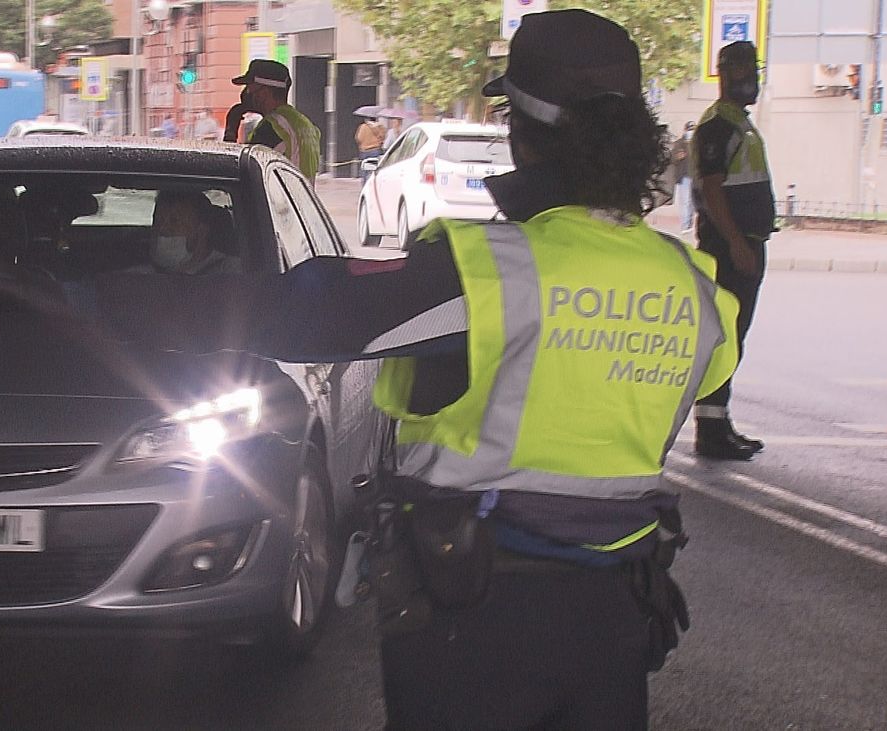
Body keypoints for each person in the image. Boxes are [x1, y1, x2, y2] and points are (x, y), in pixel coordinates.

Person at [99, 10, 739, 729]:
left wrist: (73, 296)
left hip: (478, 619)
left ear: (521, 131)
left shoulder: (488, 273)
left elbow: (289, 314)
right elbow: (705, 373)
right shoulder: (693, 286)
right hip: (617, 620)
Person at [691, 40, 776, 461]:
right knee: (725, 339)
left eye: (753, 70)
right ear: (725, 73)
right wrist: (736, 243)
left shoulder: (739, 124)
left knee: (733, 339)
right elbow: (711, 187)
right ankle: (710, 431)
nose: (751, 79)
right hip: (731, 250)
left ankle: (718, 422)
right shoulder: (719, 124)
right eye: (743, 71)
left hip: (744, 246)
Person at [223, 59, 321, 182]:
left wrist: (231, 129)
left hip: (277, 200)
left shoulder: (272, 127)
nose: (245, 93)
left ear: (263, 93)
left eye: (249, 88)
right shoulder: (305, 124)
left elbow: (240, 174)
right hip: (299, 199)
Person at [150, 190, 240, 275]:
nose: (162, 229)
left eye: (175, 221)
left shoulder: (231, 272)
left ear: (201, 231)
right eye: (157, 220)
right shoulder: (145, 275)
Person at [671, 121, 696, 231]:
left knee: (692, 201)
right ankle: (686, 224)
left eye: (693, 129)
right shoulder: (679, 143)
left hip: (695, 176)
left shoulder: (698, 143)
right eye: (690, 129)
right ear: (685, 130)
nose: (691, 132)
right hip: (684, 175)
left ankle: (689, 222)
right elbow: (672, 159)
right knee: (685, 200)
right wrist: (678, 157)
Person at [354, 115, 386, 180]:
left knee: (364, 171)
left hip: (364, 151)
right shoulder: (380, 127)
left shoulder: (363, 126)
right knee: (374, 170)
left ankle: (365, 185)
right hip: (375, 150)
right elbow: (383, 137)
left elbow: (358, 138)